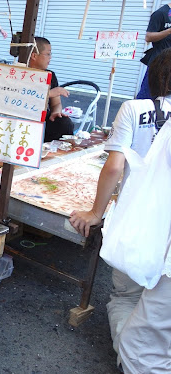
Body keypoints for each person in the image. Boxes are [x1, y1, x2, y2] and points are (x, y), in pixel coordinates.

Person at [69, 49, 171, 372]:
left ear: (152, 78)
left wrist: (95, 212)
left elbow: (114, 167)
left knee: (126, 296)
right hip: (165, 234)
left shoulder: (134, 108)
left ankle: (130, 354)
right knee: (156, 305)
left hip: (136, 225)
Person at [28, 37, 74, 142]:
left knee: (64, 123)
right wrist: (50, 93)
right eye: (48, 54)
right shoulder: (20, 74)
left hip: (45, 118)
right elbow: (22, 97)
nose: (50, 57)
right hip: (24, 118)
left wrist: (56, 112)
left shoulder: (50, 75)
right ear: (34, 56)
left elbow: (56, 103)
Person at [136, 2, 171, 100]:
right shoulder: (160, 13)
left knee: (165, 98)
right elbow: (148, 37)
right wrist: (168, 31)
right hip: (158, 63)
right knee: (147, 96)